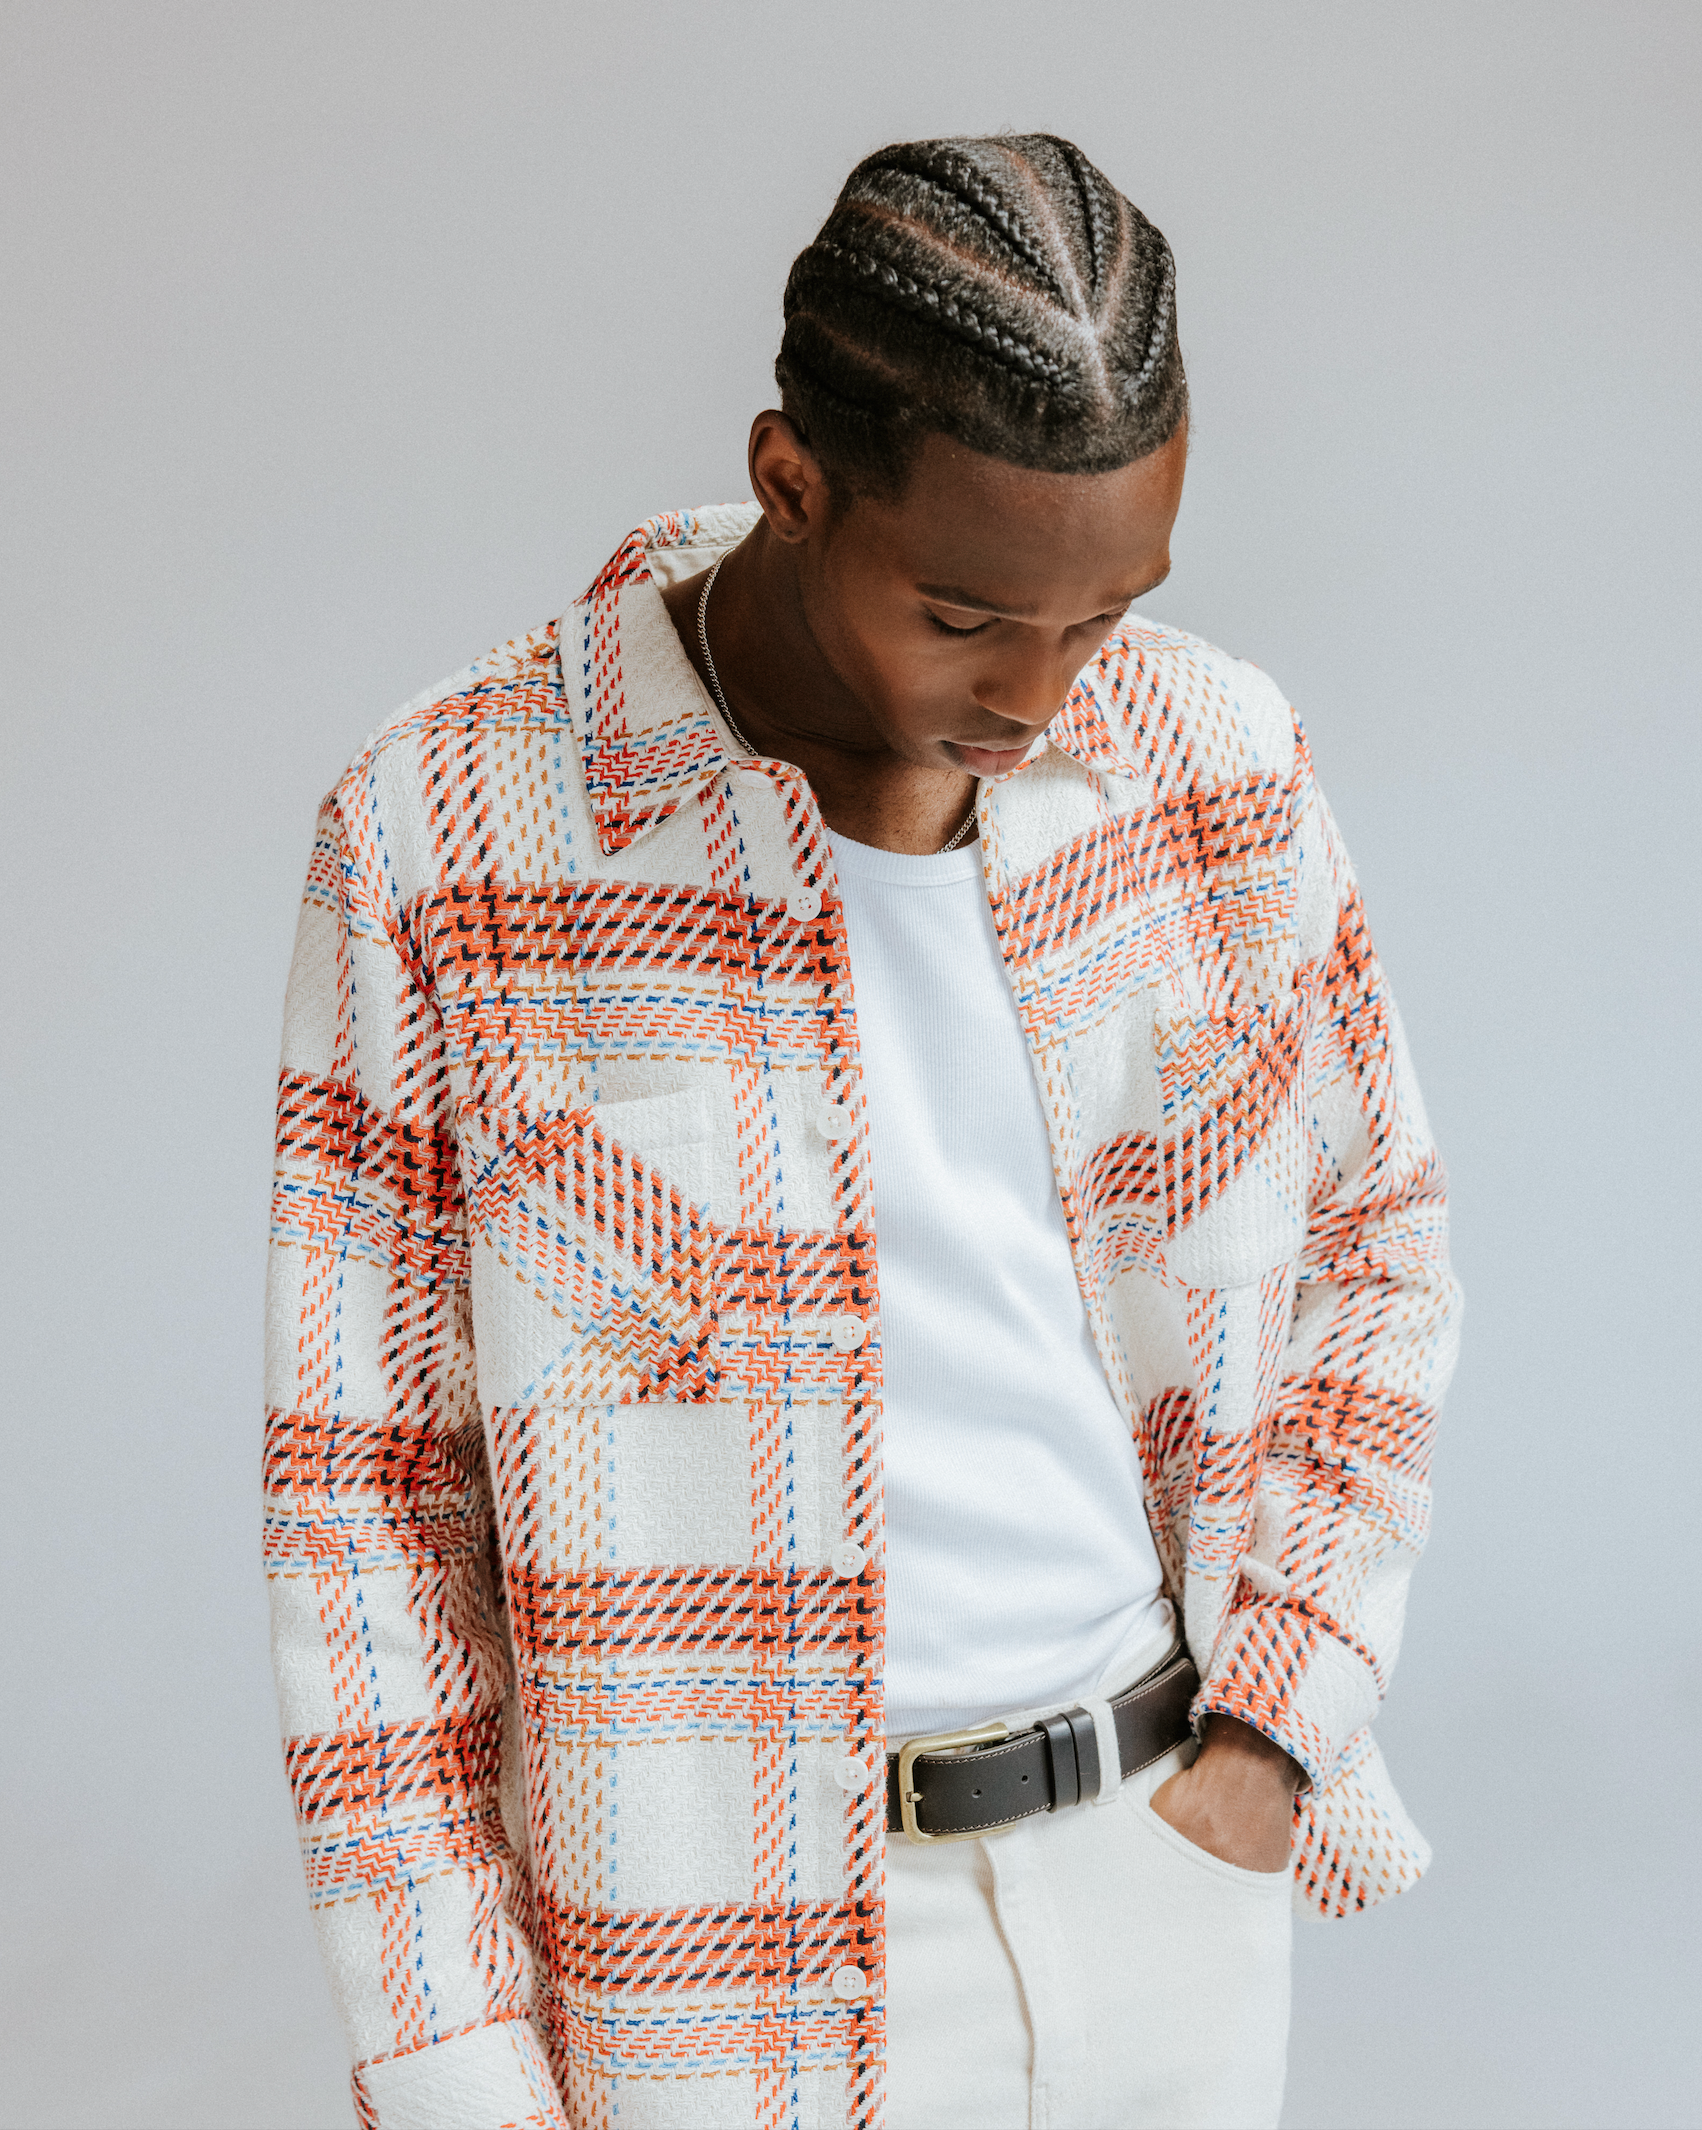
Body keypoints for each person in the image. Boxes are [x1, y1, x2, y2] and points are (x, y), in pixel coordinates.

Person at [264, 133, 1461, 2130]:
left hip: (1163, 1867)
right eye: (965, 612)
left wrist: (1275, 1734)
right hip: (702, 1957)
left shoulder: (1215, 766)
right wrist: (455, 2065)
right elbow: (367, 1509)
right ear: (790, 479)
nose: (1036, 690)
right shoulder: (444, 836)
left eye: (1102, 615)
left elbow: (1378, 1248)